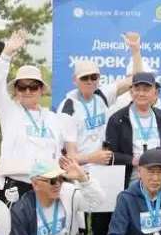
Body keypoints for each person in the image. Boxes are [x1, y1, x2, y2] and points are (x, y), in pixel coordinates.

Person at [99, 71, 161, 235]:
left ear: (155, 92)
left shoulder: (160, 117)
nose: (142, 93)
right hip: (128, 178)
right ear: (131, 91)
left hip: (156, 180)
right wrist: (133, 161)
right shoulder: (118, 118)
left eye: (147, 89)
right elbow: (110, 154)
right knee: (123, 228)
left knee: (152, 226)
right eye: (138, 88)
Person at [0, 29, 65, 200]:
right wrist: (6, 54)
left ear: (41, 90)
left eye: (33, 86)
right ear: (15, 90)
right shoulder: (9, 111)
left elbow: (58, 153)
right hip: (15, 184)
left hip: (47, 184)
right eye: (22, 87)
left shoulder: (53, 118)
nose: (27, 91)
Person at [58, 32, 142, 166]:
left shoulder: (102, 94)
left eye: (94, 77)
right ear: (75, 80)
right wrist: (92, 158)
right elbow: (70, 156)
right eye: (84, 78)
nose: (90, 81)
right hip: (82, 171)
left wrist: (135, 51)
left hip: (106, 167)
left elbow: (136, 79)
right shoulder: (68, 107)